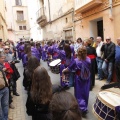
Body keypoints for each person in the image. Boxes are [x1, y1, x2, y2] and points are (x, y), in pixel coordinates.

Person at [62, 46, 91, 116]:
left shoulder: (76, 61)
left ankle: (81, 109)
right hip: (87, 78)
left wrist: (63, 70)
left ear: (78, 53)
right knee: (85, 92)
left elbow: (68, 69)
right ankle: (84, 107)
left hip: (79, 79)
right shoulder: (88, 60)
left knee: (79, 93)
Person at [0, 52, 9, 120]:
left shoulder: (2, 65)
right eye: (2, 58)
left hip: (5, 88)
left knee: (5, 105)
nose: (3, 59)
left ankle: (5, 118)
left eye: (4, 58)